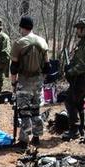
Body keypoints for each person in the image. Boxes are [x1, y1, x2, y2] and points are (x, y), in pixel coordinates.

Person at [10, 16, 49, 149]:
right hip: (38, 81)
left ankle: (23, 141)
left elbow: (14, 67)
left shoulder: (19, 43)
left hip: (24, 81)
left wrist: (13, 83)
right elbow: (47, 67)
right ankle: (37, 137)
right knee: (36, 110)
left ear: (22, 27)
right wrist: (40, 80)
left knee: (24, 111)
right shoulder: (42, 42)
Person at [62, 18, 85, 141]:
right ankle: (82, 127)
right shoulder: (83, 42)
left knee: (70, 101)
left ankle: (74, 129)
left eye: (79, 29)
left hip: (81, 77)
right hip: (79, 77)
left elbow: (84, 65)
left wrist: (70, 71)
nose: (77, 31)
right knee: (79, 102)